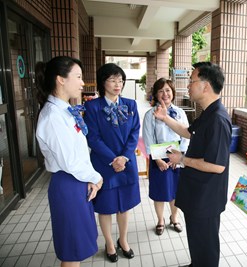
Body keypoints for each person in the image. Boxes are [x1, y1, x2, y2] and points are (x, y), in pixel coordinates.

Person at [154, 62, 232, 267]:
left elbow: (217, 166)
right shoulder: (207, 112)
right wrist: (165, 119)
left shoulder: (218, 119)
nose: (188, 86)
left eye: (192, 81)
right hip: (197, 192)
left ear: (205, 86)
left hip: (207, 197)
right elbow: (189, 132)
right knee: (197, 241)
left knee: (206, 244)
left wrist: (182, 159)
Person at [35, 56, 103, 267]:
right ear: (61, 80)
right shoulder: (53, 116)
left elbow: (79, 152)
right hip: (68, 183)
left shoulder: (64, 110)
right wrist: (96, 177)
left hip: (77, 181)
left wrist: (90, 178)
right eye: (79, 77)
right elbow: (70, 161)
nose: (83, 83)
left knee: (77, 247)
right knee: (72, 251)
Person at [83, 63, 140, 263]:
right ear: (103, 82)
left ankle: (123, 240)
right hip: (103, 165)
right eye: (113, 80)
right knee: (106, 207)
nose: (118, 84)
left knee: (125, 206)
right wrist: (113, 159)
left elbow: (135, 133)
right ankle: (108, 243)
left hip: (127, 164)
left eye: (121, 80)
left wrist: (123, 157)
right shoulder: (92, 107)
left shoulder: (131, 105)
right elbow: (93, 138)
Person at [142, 78, 190, 235]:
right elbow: (148, 138)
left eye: (168, 90)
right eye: (161, 91)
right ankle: (160, 220)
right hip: (159, 160)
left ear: (173, 92)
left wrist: (180, 157)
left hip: (177, 158)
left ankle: (174, 218)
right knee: (160, 192)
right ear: (156, 94)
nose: (165, 94)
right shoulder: (150, 115)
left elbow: (186, 136)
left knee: (176, 192)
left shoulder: (180, 112)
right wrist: (157, 160)